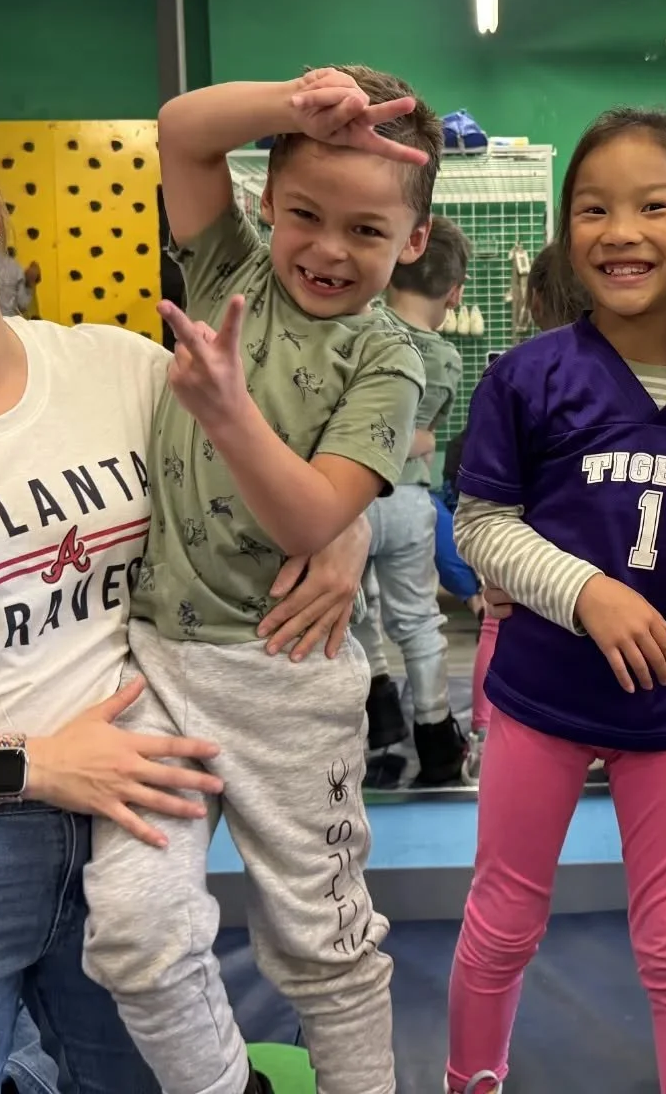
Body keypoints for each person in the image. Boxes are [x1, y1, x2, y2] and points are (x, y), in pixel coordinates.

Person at [0, 86, 359, 1094]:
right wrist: (29, 765)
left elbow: (271, 477)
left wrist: (345, 529)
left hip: (130, 835)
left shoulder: (122, 370)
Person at [80, 65, 441, 1094]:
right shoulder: (228, 268)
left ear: (413, 241)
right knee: (134, 929)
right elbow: (180, 130)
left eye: (367, 231)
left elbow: (314, 517)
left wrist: (229, 412)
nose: (328, 250)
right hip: (157, 669)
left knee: (322, 944)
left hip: (287, 678)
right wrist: (293, 105)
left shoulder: (389, 361)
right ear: (267, 204)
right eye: (305, 215)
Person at [445, 108, 666, 1094]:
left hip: (665, 713)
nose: (620, 231)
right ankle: (472, 1078)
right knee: (504, 920)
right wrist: (587, 594)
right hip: (539, 696)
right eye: (593, 209)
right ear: (567, 231)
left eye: (652, 207)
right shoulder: (527, 375)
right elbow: (481, 526)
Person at [459, 242, 592, 786]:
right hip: (531, 538)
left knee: (501, 621)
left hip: (528, 538)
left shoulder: (516, 375)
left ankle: (484, 731)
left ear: (534, 301)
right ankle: (490, 732)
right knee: (507, 616)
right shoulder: (520, 376)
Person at [359, 216, 471, 786]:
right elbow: (426, 432)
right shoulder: (447, 359)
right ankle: (436, 735)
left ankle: (378, 710)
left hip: (349, 498)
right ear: (454, 294)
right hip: (407, 498)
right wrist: (414, 440)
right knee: (419, 619)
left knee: (354, 608)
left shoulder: (360, 329)